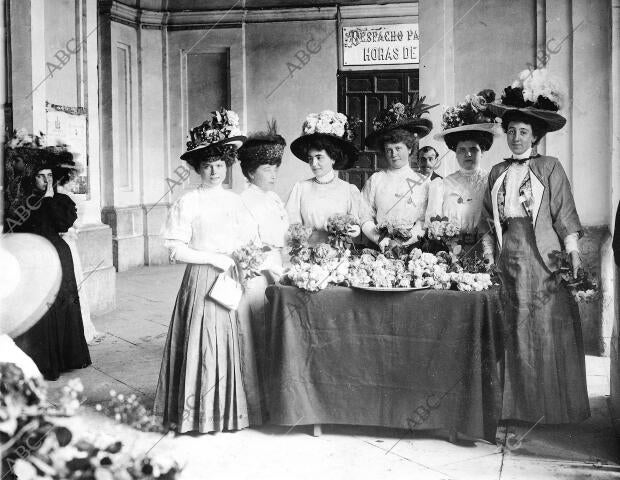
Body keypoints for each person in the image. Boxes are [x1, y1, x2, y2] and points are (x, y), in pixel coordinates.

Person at [479, 68, 590, 424]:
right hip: (506, 254)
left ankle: (549, 410)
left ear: (536, 136)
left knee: (542, 325)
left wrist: (572, 251)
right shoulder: (497, 172)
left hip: (542, 255)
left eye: (522, 132)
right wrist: (486, 255)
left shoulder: (550, 167)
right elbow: (486, 219)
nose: (515, 137)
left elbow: (564, 213)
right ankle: (513, 408)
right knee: (510, 325)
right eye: (510, 131)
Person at [154, 109, 255, 433]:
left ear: (228, 165)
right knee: (201, 340)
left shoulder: (235, 201)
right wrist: (212, 259)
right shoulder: (190, 201)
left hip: (231, 277)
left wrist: (243, 259)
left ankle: (226, 412)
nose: (215, 171)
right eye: (208, 165)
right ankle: (194, 414)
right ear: (198, 168)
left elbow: (248, 240)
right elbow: (176, 248)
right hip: (200, 279)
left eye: (220, 164)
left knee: (228, 340)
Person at [4, 135, 91, 381]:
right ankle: (42, 362)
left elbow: (63, 222)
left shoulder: (58, 201)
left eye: (49, 176)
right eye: (41, 176)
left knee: (60, 306)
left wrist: (52, 196)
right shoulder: (21, 202)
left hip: (59, 257)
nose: (46, 180)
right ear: (31, 177)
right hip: (33, 259)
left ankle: (64, 359)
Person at [237, 123, 288, 425]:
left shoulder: (274, 199)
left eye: (275, 167)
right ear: (251, 171)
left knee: (273, 337)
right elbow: (248, 247)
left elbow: (282, 238)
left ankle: (274, 404)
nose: (273, 173)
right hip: (257, 276)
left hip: (276, 271)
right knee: (255, 337)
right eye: (267, 168)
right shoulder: (244, 202)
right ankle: (254, 407)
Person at [429, 90, 500, 256]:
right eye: (462, 150)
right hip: (450, 250)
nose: (468, 154)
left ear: (482, 151)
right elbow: (432, 222)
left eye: (473, 149)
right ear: (455, 152)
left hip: (485, 249)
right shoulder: (443, 185)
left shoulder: (492, 181)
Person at [360, 99, 438, 251]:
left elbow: (424, 220)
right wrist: (380, 240)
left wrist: (405, 242)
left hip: (414, 248)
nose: (393, 154)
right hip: (380, 247)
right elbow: (364, 216)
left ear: (409, 149)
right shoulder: (376, 180)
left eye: (398, 148)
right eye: (388, 150)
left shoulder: (423, 182)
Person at [286, 110, 363, 246]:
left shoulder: (348, 190)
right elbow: (291, 225)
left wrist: (353, 229)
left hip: (339, 257)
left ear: (333, 158)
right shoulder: (301, 188)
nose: (313, 164)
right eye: (310, 159)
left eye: (319, 157)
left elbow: (356, 223)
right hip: (306, 256)